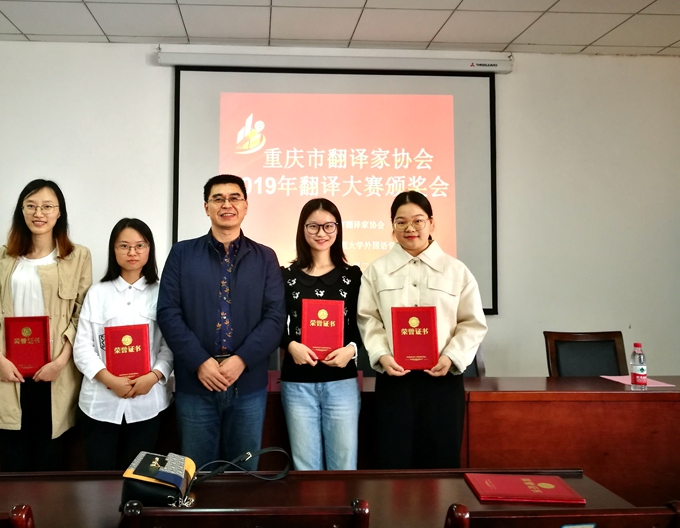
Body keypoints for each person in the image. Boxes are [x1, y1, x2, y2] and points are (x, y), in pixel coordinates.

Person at [157, 174, 285, 470]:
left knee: (244, 474)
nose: (227, 204)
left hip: (247, 384)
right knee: (195, 473)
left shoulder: (265, 257)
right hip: (196, 383)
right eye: (218, 198)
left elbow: (275, 316)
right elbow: (168, 312)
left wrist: (241, 360)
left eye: (234, 198)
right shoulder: (182, 253)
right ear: (206, 207)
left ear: (246, 205)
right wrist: (200, 362)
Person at [0, 179, 92, 472]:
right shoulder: (2, 258)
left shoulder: (77, 256)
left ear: (59, 213)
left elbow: (81, 316)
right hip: (8, 374)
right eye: (31, 206)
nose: (39, 213)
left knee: (50, 466)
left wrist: (60, 362)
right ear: (21, 211)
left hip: (55, 375)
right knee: (13, 466)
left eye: (48, 206)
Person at [357, 190, 487, 469]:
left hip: (442, 380)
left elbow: (472, 323)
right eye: (401, 222)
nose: (410, 228)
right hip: (395, 381)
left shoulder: (456, 270)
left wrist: (451, 357)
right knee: (393, 461)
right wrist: (382, 355)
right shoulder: (376, 271)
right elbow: (369, 319)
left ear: (431, 223)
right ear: (392, 226)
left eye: (418, 220)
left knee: (441, 463)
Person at [73, 218, 173, 470]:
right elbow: (82, 346)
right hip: (100, 403)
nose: (132, 252)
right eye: (124, 246)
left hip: (148, 403)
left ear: (149, 250)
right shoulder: (97, 293)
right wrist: (109, 379)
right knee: (100, 478)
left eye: (140, 245)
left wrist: (154, 376)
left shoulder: (163, 293)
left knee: (139, 477)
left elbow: (170, 345)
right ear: (113, 249)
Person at [280, 198, 362, 470]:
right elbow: (274, 324)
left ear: (338, 229)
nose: (321, 233)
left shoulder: (353, 276)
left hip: (341, 382)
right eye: (313, 226)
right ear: (302, 229)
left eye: (328, 226)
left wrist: (351, 350)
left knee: (344, 465)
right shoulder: (286, 276)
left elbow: (364, 326)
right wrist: (290, 345)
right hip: (298, 383)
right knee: (305, 467)